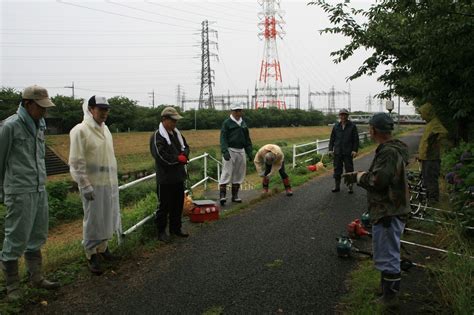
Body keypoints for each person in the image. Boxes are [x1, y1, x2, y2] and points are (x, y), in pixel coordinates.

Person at [342, 113, 411, 308]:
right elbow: (383, 175)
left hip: (387, 209)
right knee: (384, 250)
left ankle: (390, 299)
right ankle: (385, 289)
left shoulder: (388, 152)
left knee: (388, 254)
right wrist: (361, 174)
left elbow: (378, 181)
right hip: (390, 207)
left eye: (370, 128)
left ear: (374, 130)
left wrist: (359, 178)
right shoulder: (393, 149)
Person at [0, 85, 60, 300]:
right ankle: (13, 286)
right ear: (27, 104)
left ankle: (36, 277)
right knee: (15, 237)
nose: (44, 111)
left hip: (38, 188)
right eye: (41, 107)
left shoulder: (40, 124)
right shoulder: (10, 126)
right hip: (19, 190)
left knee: (37, 235)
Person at [69, 96, 122, 275]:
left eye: (106, 109)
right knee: (92, 220)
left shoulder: (106, 130)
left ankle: (103, 247)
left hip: (108, 182)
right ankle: (91, 253)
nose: (105, 113)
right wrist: (84, 185)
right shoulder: (80, 131)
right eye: (101, 109)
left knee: (107, 216)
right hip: (92, 184)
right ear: (91, 109)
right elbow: (76, 162)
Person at [150, 107, 190, 243]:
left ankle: (176, 228)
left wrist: (184, 155)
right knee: (164, 206)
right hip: (165, 178)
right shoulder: (157, 136)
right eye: (172, 120)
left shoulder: (176, 134)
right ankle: (161, 232)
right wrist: (178, 159)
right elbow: (161, 156)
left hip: (178, 176)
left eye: (175, 120)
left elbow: (186, 147)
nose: (175, 123)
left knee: (178, 205)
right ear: (164, 119)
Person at [219, 103, 253, 205]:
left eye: (240, 111)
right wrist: (224, 151)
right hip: (230, 150)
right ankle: (222, 196)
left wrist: (250, 152)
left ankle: (235, 196)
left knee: (239, 173)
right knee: (227, 172)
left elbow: (247, 139)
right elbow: (223, 138)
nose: (238, 113)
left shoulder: (243, 124)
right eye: (236, 111)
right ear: (232, 111)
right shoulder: (227, 123)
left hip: (241, 150)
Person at [417, 103, 448, 204]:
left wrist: (436, 140)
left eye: (422, 113)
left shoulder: (435, 123)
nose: (421, 116)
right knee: (426, 178)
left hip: (432, 157)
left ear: (427, 113)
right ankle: (428, 198)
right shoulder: (429, 124)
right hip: (426, 157)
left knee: (431, 179)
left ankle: (433, 200)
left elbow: (443, 133)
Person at [328, 108, 359, 193]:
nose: (343, 116)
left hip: (348, 152)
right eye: (341, 114)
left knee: (349, 169)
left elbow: (356, 139)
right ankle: (337, 186)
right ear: (339, 116)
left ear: (347, 116)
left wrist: (355, 150)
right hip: (337, 152)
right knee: (337, 169)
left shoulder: (352, 126)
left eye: (344, 114)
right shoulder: (336, 126)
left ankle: (350, 186)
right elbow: (332, 139)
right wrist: (330, 150)